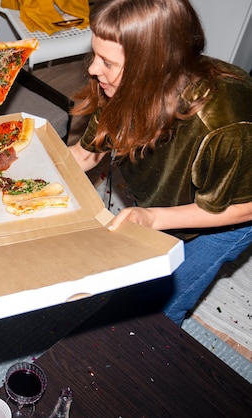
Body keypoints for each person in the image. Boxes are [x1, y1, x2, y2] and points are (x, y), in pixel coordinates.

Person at [68, 0, 252, 325]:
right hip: (170, 190)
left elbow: (244, 207)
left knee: (160, 307)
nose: (94, 70)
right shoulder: (123, 86)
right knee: (139, 273)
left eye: (108, 63)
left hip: (230, 212)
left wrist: (152, 218)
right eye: (95, 55)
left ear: (151, 68)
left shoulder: (225, 127)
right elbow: (84, 155)